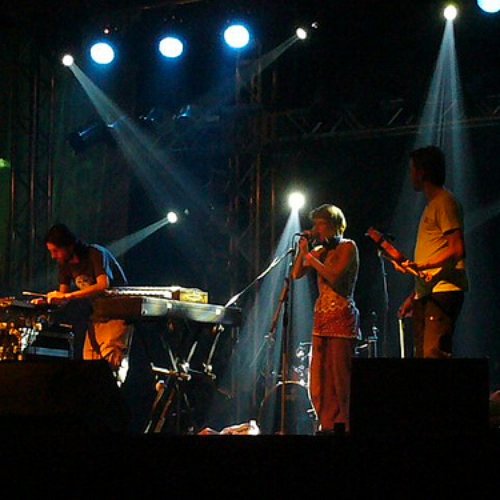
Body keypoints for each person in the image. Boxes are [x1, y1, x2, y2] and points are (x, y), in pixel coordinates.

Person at [292, 204, 360, 434]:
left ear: (333, 225)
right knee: (319, 378)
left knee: (341, 377)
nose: (316, 229)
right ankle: (327, 423)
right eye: (315, 224)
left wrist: (310, 258)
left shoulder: (348, 247)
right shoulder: (320, 250)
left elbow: (335, 277)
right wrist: (303, 251)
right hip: (321, 319)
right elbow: (296, 273)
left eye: (320, 224)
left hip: (341, 317)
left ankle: (346, 423)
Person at [395, 146, 468, 358]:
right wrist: (415, 295)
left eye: (412, 170)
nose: (410, 175)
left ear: (422, 172)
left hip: (444, 291)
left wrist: (423, 266)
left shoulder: (445, 202)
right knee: (423, 356)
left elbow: (457, 249)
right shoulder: (432, 206)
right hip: (430, 292)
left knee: (433, 354)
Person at [42, 223, 133, 384]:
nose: (53, 256)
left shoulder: (95, 253)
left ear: (68, 246)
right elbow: (63, 297)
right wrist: (45, 302)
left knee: (110, 364)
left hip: (118, 314)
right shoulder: (65, 265)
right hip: (98, 315)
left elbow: (103, 285)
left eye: (55, 251)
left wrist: (68, 296)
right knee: (89, 365)